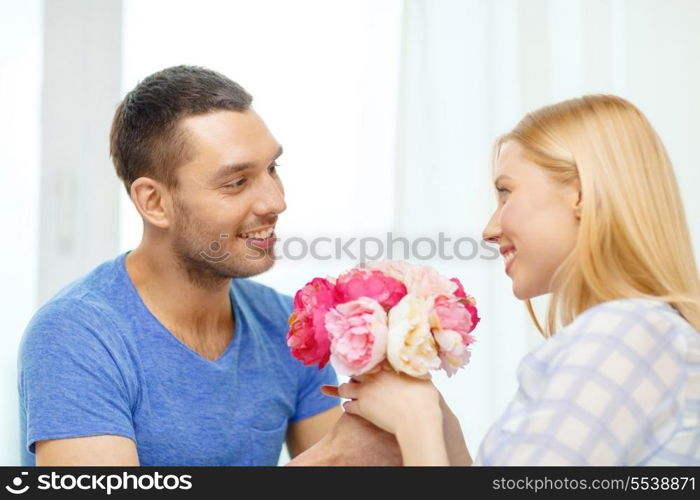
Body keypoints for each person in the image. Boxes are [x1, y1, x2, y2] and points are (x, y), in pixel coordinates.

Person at [328, 95, 700, 465]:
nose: (489, 230)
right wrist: (445, 433)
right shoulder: (636, 336)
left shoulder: (626, 333)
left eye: (506, 193)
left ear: (582, 193)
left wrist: (417, 424)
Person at [18, 65, 348, 466]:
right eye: (236, 182)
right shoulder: (77, 335)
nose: (275, 202)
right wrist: (329, 457)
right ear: (154, 203)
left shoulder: (285, 324)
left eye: (272, 169)